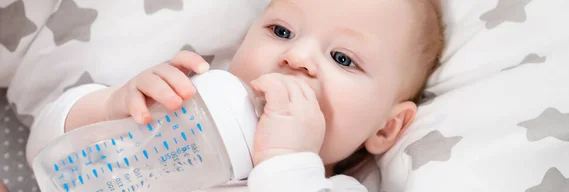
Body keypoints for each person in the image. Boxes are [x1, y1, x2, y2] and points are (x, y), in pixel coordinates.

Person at [35, 0, 444, 191]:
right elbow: (45, 158)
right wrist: (107, 107)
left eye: (342, 58)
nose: (296, 57)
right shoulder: (177, 114)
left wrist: (286, 161)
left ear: (387, 128)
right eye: (281, 32)